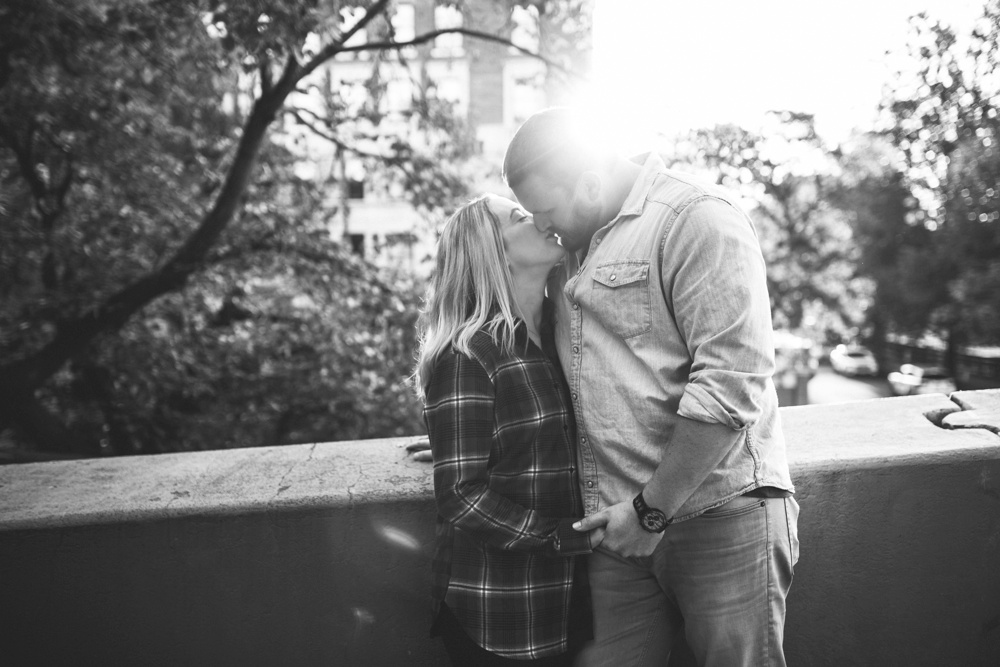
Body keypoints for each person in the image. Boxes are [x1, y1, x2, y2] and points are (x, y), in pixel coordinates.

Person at [502, 107, 800, 667]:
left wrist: (651, 513)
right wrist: (482, 428)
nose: (542, 226)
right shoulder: (570, 247)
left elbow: (731, 384)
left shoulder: (697, 218)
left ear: (590, 183)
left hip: (719, 517)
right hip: (614, 531)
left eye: (546, 211)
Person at [414, 194, 600, 666]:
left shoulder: (565, 334)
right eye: (519, 217)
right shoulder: (469, 355)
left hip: (580, 598)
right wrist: (561, 536)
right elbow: (459, 494)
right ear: (490, 251)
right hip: (504, 611)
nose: (540, 217)